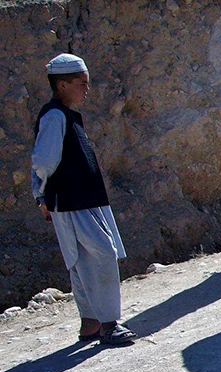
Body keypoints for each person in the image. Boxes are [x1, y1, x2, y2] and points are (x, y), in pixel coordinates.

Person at [31, 54, 136, 346]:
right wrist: (40, 194)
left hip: (81, 199)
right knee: (100, 255)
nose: (86, 89)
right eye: (81, 83)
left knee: (83, 260)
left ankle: (90, 324)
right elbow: (42, 160)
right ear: (62, 84)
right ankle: (108, 325)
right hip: (71, 200)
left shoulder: (65, 115)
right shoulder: (55, 116)